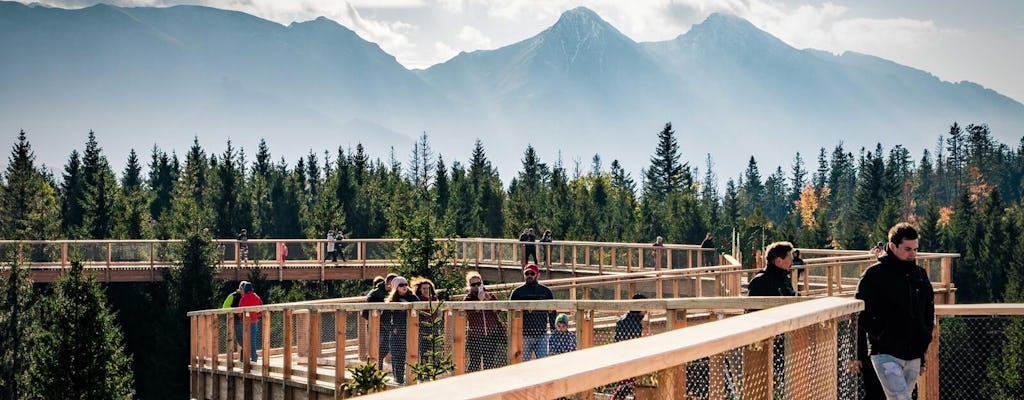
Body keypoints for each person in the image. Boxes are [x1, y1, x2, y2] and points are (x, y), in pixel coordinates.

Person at [854, 223, 934, 400]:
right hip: (885, 352)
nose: (913, 254)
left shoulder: (920, 275)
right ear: (892, 246)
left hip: (914, 352)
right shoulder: (873, 275)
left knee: (901, 397)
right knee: (900, 398)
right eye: (907, 249)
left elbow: (928, 312)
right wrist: (880, 334)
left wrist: (923, 344)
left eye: (915, 249)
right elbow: (861, 312)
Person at [509, 263, 555, 360]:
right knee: (523, 363)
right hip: (523, 335)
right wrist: (513, 332)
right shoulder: (517, 292)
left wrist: (554, 331)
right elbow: (511, 313)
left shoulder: (546, 292)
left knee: (543, 362)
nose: (529, 276)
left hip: (541, 334)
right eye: (527, 273)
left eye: (532, 273)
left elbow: (552, 312)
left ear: (538, 275)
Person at [464, 271, 507, 372]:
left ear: (482, 283)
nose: (476, 286)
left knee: (489, 363)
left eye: (478, 284)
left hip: (491, 334)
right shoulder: (468, 298)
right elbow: (470, 314)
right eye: (473, 284)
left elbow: (498, 310)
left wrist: (490, 301)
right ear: (469, 286)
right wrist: (479, 301)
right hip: (475, 336)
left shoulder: (489, 295)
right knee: (474, 363)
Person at [611, 293, 648, 399]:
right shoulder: (634, 323)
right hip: (629, 358)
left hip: (622, 357)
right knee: (628, 385)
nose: (646, 311)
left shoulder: (625, 320)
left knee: (626, 385)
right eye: (644, 307)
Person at [383, 276, 418, 385]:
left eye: (405, 284)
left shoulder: (413, 298)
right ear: (396, 287)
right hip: (397, 333)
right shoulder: (392, 301)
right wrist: (392, 328)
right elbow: (384, 318)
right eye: (401, 285)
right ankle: (399, 379)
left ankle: (412, 378)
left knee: (412, 355)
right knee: (398, 356)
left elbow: (421, 311)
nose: (404, 287)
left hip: (411, 331)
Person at [366, 274, 396, 368]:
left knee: (384, 348)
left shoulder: (387, 292)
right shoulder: (377, 293)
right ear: (388, 283)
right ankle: (374, 369)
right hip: (376, 324)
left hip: (384, 324)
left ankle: (378, 368)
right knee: (377, 347)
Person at [412, 277, 441, 364]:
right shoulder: (417, 300)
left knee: (434, 353)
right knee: (424, 353)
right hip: (422, 331)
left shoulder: (435, 300)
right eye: (424, 288)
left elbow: (439, 315)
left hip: (434, 330)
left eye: (428, 288)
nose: (426, 290)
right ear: (420, 290)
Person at [238, 281, 263, 363]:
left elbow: (240, 312)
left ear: (245, 289)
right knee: (253, 341)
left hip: (245, 322)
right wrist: (257, 316)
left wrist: (240, 317)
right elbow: (261, 310)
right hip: (254, 322)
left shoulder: (243, 298)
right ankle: (254, 358)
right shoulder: (257, 298)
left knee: (245, 340)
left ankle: (245, 359)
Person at [221, 281, 249, 355]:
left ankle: (245, 355)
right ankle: (244, 355)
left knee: (247, 337)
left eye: (245, 289)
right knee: (240, 337)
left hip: (246, 319)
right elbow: (224, 307)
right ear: (240, 288)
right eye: (242, 289)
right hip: (235, 319)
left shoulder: (248, 296)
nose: (243, 291)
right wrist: (234, 310)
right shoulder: (233, 296)